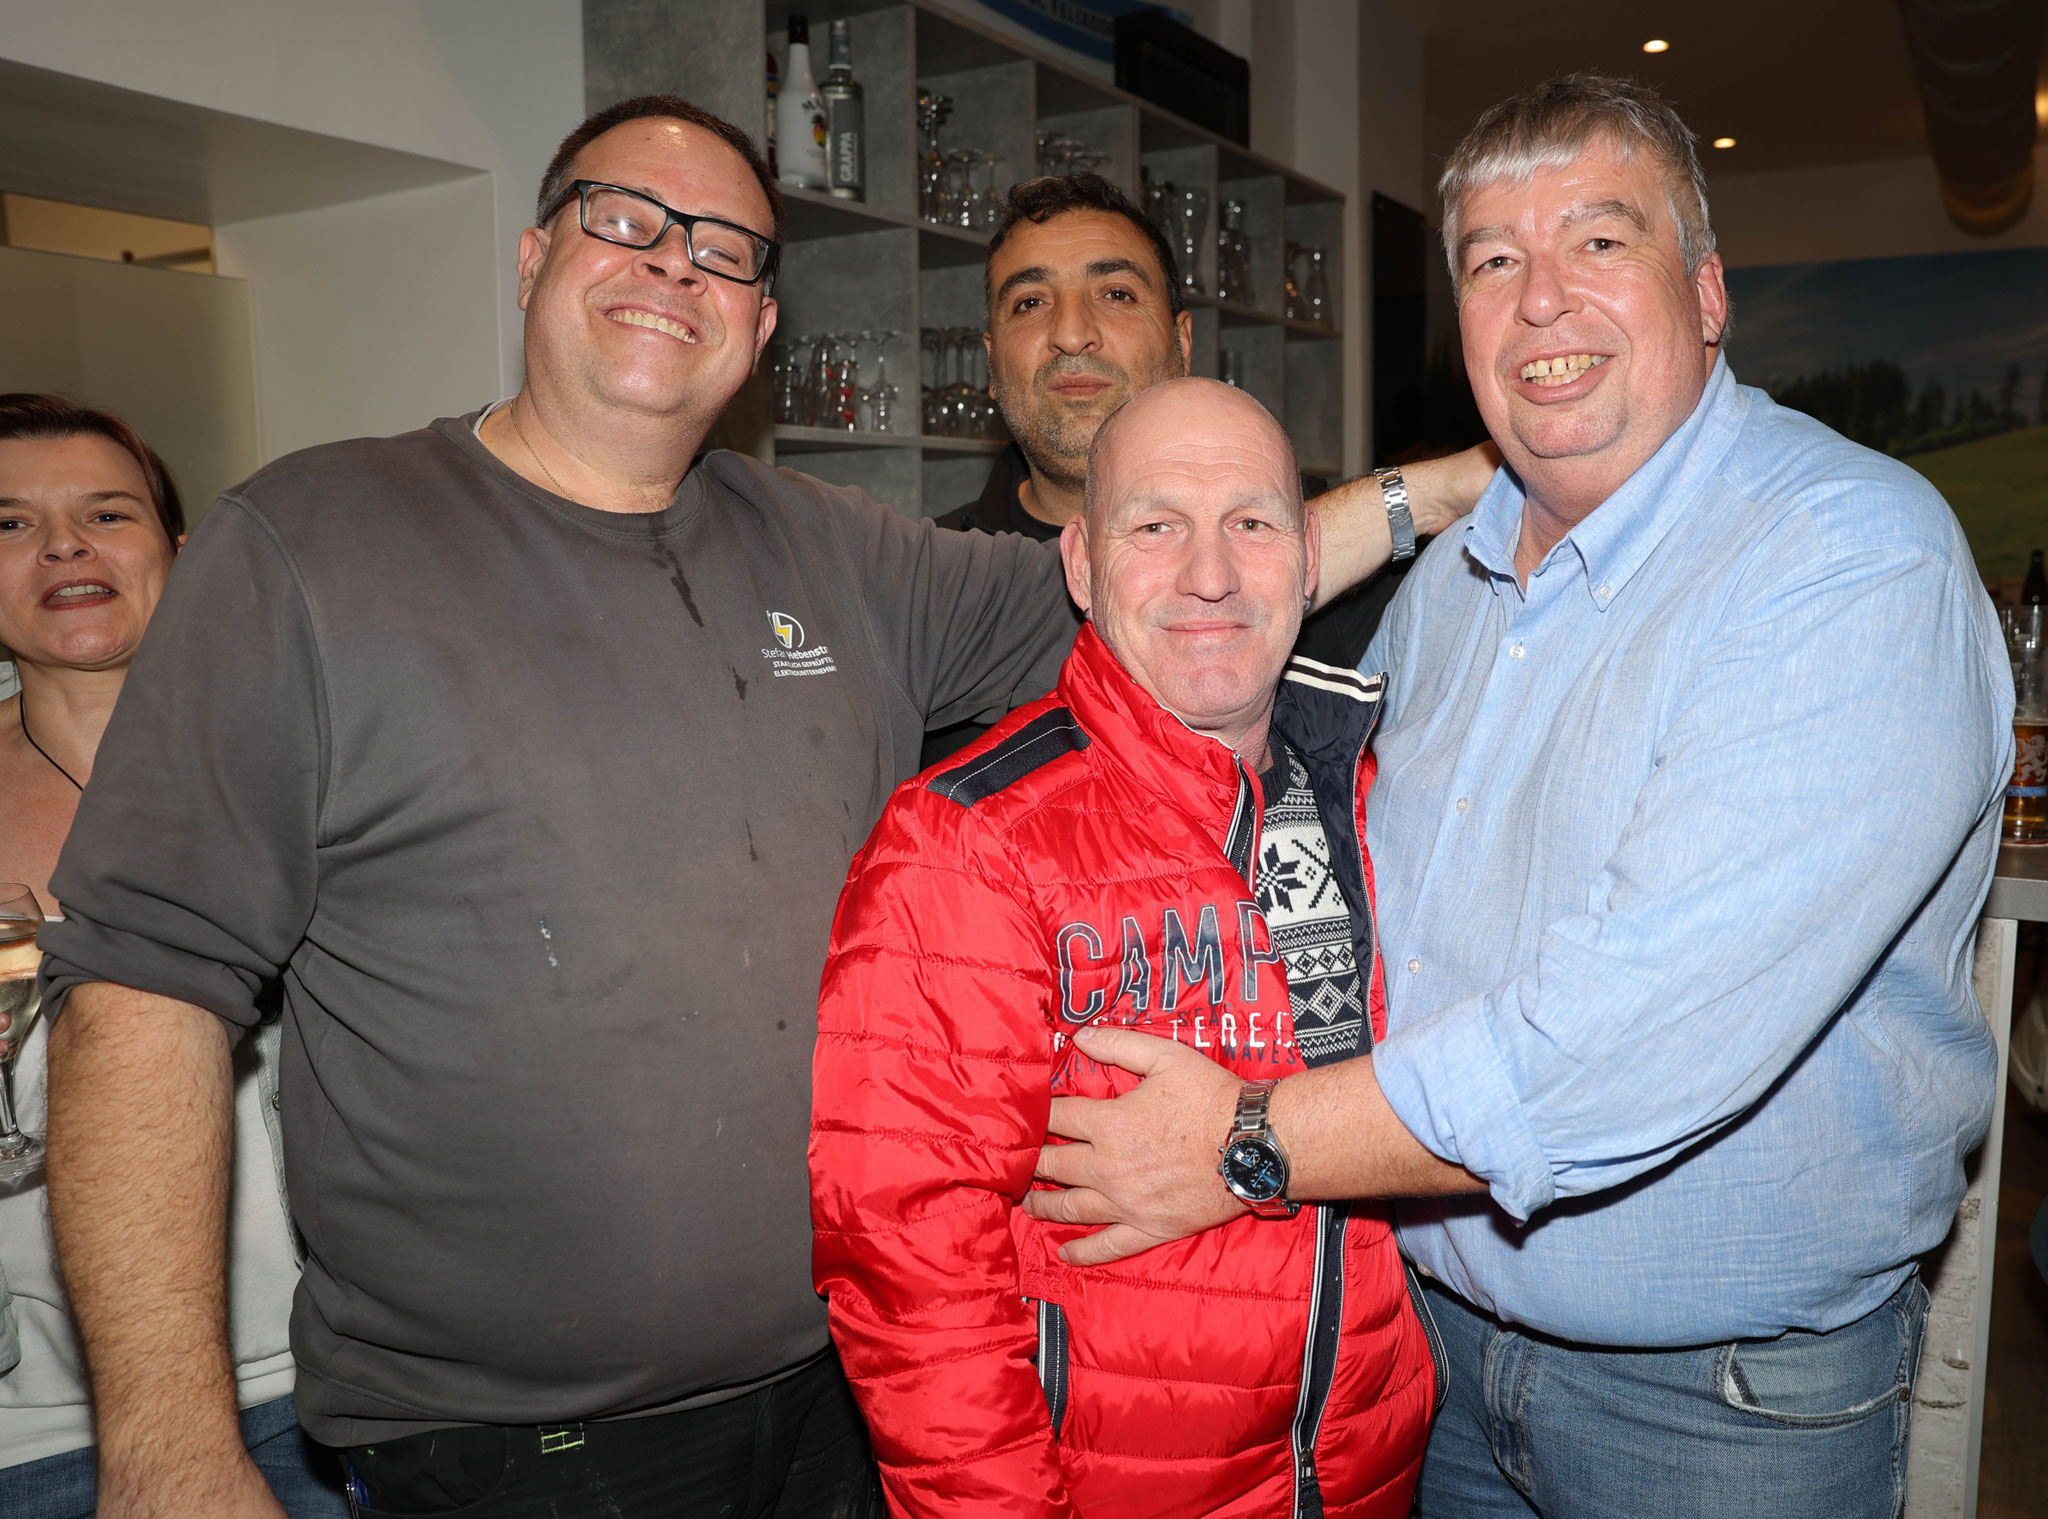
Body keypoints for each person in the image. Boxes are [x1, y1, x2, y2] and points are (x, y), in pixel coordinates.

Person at [36, 95, 1447, 1518]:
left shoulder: (839, 554)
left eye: (724, 248)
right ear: (531, 255)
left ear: (763, 324)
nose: (672, 262)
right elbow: (142, 990)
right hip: (514, 1450)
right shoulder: (311, 544)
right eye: (624, 220)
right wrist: (168, 1449)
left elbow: (1187, 583)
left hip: (848, 1401)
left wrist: (1494, 472)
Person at [1017, 72, 2013, 1519]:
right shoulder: (1456, 586)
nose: (1541, 298)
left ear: (1708, 292)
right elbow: (1207, 625)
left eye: (1599, 241)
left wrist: (1248, 1139)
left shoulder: (1846, 558)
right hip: (1433, 1352)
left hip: (1715, 1408)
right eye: (1493, 261)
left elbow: (1627, 1039)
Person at [811, 377, 1437, 1517]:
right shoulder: (966, 842)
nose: (1210, 574)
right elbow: (911, 1274)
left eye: (1251, 523)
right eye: (1155, 526)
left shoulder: (1378, 796)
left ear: (1309, 559)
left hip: (1367, 1479)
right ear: (1081, 566)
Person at [0, 394, 343, 1517]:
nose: (64, 546)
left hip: (336, 1385)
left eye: (106, 513)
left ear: (184, 555)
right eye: (10, 523)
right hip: (40, 1426)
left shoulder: (326, 763)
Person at [923, 172, 1495, 763]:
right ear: (991, 363)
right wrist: (1431, 489)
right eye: (1030, 302)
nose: (1071, 334)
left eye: (1116, 294)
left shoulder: (1367, 572)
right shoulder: (923, 596)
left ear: (1182, 342)